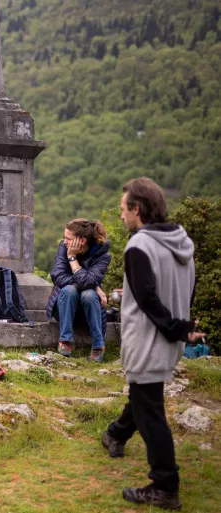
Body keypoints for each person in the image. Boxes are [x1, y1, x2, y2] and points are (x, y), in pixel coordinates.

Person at [101, 177, 205, 510]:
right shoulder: (181, 241)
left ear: (137, 209)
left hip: (148, 338)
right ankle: (116, 434)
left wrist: (175, 328)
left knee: (151, 414)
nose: (121, 216)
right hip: (169, 338)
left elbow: (146, 298)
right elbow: (188, 287)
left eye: (123, 209)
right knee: (144, 394)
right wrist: (182, 326)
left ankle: (165, 485)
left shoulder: (138, 246)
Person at [47, 218, 111, 361]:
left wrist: (72, 258)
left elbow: (88, 280)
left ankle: (98, 346)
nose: (65, 242)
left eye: (68, 238)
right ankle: (66, 341)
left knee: (88, 295)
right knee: (69, 290)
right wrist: (95, 286)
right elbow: (57, 276)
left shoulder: (103, 256)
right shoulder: (63, 247)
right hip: (65, 306)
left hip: (89, 309)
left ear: (81, 241)